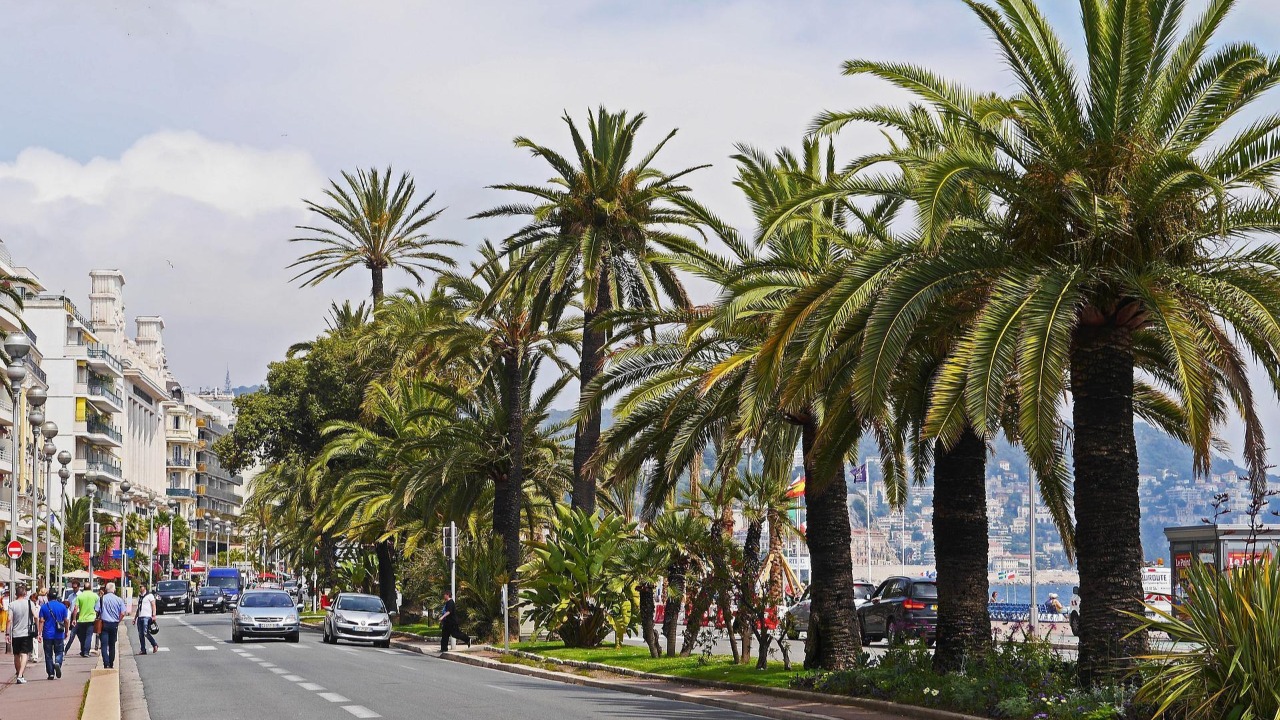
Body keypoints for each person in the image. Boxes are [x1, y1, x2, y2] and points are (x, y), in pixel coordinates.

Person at [4, 584, 39, 684]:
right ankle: (20, 675)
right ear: (24, 594)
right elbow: (36, 616)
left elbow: (9, 620)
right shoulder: (29, 603)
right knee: (24, 654)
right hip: (26, 633)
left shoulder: (12, 604)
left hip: (15, 633)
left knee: (16, 655)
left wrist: (7, 634)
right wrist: (37, 629)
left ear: (16, 594)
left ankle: (19, 674)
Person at [39, 588, 70, 680]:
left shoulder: (44, 607)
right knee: (59, 651)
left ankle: (51, 673)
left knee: (48, 654)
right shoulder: (62, 607)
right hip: (59, 634)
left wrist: (39, 633)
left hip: (47, 634)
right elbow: (66, 620)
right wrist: (67, 631)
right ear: (56, 597)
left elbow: (41, 621)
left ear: (48, 597)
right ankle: (58, 662)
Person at [95, 582, 128, 670]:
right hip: (114, 624)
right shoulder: (119, 599)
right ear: (114, 590)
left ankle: (106, 663)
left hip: (104, 624)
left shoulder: (102, 599)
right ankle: (111, 663)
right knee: (112, 644)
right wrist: (118, 620)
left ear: (106, 590)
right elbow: (123, 612)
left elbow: (96, 609)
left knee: (104, 645)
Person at [70, 581, 99, 657]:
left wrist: (74, 619)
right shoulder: (95, 596)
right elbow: (98, 608)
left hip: (81, 619)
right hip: (91, 619)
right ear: (90, 588)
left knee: (82, 636)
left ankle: (83, 651)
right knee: (89, 636)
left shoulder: (80, 596)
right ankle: (86, 652)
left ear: (83, 588)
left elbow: (75, 609)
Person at [135, 584, 159, 655]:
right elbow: (138, 608)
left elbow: (153, 605)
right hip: (140, 617)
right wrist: (135, 618)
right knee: (140, 634)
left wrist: (154, 615)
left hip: (147, 617)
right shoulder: (140, 597)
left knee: (145, 632)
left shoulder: (150, 596)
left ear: (144, 587)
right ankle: (143, 649)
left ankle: (154, 644)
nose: (140, 588)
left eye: (141, 586)